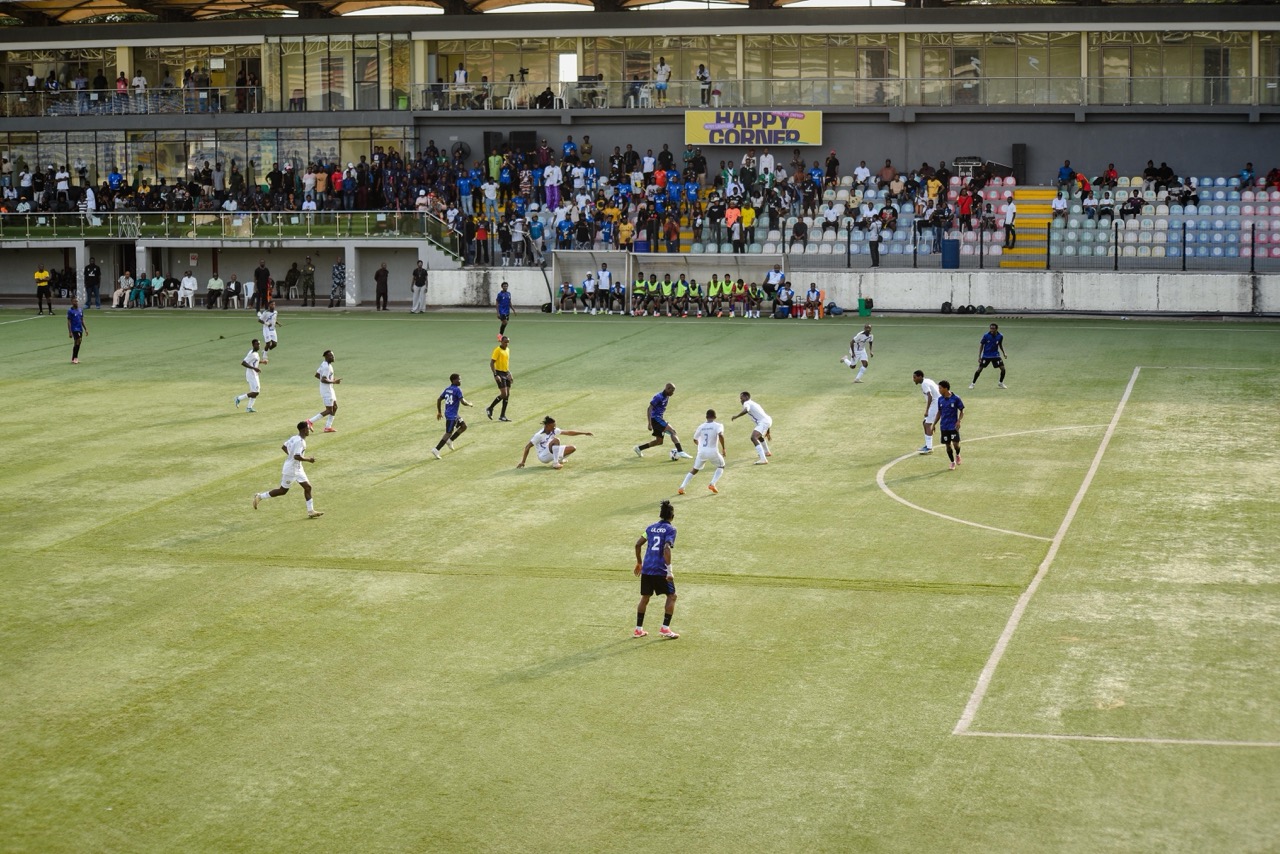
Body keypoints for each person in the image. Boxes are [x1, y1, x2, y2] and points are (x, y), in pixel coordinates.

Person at [252, 421, 323, 519]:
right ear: (304, 430)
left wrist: (291, 455)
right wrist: (309, 459)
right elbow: (297, 456)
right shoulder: (300, 442)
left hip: (298, 468)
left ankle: (311, 511)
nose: (309, 430)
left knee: (308, 487)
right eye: (308, 428)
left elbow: (284, 447)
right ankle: (260, 496)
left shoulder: (294, 437)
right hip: (291, 469)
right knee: (282, 491)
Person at [632, 499, 679, 639]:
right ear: (672, 516)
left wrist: (639, 563)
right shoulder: (671, 529)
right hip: (660, 570)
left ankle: (638, 629)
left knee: (645, 597)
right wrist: (669, 571)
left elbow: (638, 544)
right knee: (672, 596)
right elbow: (666, 548)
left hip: (647, 568)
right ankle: (665, 628)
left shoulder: (650, 528)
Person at [633, 382, 692, 460]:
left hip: (658, 419)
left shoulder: (667, 396)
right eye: (672, 390)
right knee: (672, 432)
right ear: (667, 389)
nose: (673, 393)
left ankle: (639, 448)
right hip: (656, 419)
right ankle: (680, 451)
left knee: (659, 441)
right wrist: (649, 423)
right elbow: (649, 408)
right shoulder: (658, 397)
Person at [518, 415, 593, 470]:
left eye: (554, 426)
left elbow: (568, 432)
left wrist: (584, 433)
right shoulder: (539, 435)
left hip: (551, 452)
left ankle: (559, 460)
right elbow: (527, 447)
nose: (554, 428)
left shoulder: (553, 430)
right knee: (556, 440)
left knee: (573, 448)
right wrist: (523, 462)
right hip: (543, 456)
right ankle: (555, 463)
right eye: (552, 426)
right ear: (547, 426)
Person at [678, 409, 726, 494]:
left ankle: (682, 487)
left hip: (701, 452)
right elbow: (721, 435)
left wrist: (700, 446)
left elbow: (695, 439)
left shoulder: (701, 426)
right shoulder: (718, 425)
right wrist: (723, 448)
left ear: (706, 417)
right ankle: (712, 484)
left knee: (694, 470)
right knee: (721, 466)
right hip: (713, 452)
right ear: (715, 417)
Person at [431, 373, 474, 459]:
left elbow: (439, 399)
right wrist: (469, 404)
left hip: (451, 413)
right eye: (459, 379)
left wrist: (439, 412)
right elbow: (463, 402)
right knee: (448, 433)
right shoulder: (457, 390)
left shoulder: (447, 389)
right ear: (454, 380)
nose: (460, 381)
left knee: (463, 426)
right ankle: (436, 449)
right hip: (452, 416)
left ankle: (450, 441)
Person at [731, 391, 772, 464]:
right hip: (767, 420)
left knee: (753, 437)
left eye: (741, 398)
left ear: (746, 397)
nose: (741, 400)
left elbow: (746, 410)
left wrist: (736, 416)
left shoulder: (747, 403)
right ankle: (766, 452)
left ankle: (763, 459)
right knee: (759, 436)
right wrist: (768, 431)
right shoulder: (754, 403)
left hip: (764, 422)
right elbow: (763, 415)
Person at [307, 350, 340, 433]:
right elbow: (323, 380)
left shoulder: (325, 364)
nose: (333, 357)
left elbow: (317, 375)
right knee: (329, 410)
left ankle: (328, 427)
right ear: (326, 357)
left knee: (335, 407)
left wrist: (330, 380)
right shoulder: (326, 367)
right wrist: (333, 381)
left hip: (329, 389)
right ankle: (309, 421)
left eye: (333, 355)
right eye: (331, 356)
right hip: (327, 391)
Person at [937, 380, 965, 470]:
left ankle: (958, 454)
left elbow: (962, 411)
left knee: (956, 444)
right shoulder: (940, 399)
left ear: (945, 388)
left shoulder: (956, 398)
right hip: (944, 426)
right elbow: (939, 412)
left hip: (953, 426)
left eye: (940, 388)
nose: (939, 390)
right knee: (948, 445)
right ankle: (952, 462)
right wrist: (934, 424)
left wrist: (959, 421)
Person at [971, 322, 1008, 389]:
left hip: (995, 355)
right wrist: (979, 356)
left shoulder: (1000, 336)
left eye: (993, 328)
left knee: (1003, 369)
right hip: (986, 355)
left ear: (996, 329)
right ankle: (972, 384)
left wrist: (1004, 353)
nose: (991, 330)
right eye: (991, 328)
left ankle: (1001, 383)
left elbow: (1000, 344)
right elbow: (982, 345)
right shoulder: (986, 335)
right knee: (979, 369)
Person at [912, 370, 940, 455]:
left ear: (920, 377)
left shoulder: (924, 384)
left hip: (935, 404)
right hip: (936, 403)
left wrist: (927, 410)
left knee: (927, 424)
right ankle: (928, 445)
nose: (913, 379)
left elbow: (930, 396)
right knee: (925, 423)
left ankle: (929, 447)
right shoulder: (928, 381)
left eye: (915, 377)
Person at [486, 335, 513, 421]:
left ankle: (502, 415)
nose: (507, 344)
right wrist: (495, 375)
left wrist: (509, 373)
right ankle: (490, 408)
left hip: (506, 373)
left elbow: (505, 363)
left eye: (508, 342)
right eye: (505, 342)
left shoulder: (508, 350)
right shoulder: (497, 350)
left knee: (507, 395)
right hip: (499, 373)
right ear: (501, 342)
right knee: (504, 394)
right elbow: (492, 363)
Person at [234, 338, 263, 412]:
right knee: (256, 392)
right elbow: (243, 363)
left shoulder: (255, 353)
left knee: (255, 392)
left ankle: (249, 408)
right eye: (257, 344)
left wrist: (262, 362)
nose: (259, 346)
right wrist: (254, 368)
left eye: (259, 344)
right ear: (253, 345)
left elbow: (254, 361)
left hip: (254, 374)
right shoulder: (252, 354)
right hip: (251, 374)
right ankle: (238, 398)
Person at [66, 298, 87, 364]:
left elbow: (82, 320)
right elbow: (69, 322)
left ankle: (73, 358)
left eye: (77, 301)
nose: (76, 302)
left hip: (80, 328)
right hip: (74, 329)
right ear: (72, 302)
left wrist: (85, 329)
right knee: (79, 340)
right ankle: (75, 358)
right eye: (75, 301)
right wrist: (70, 332)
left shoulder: (80, 310)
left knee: (77, 343)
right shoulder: (70, 311)